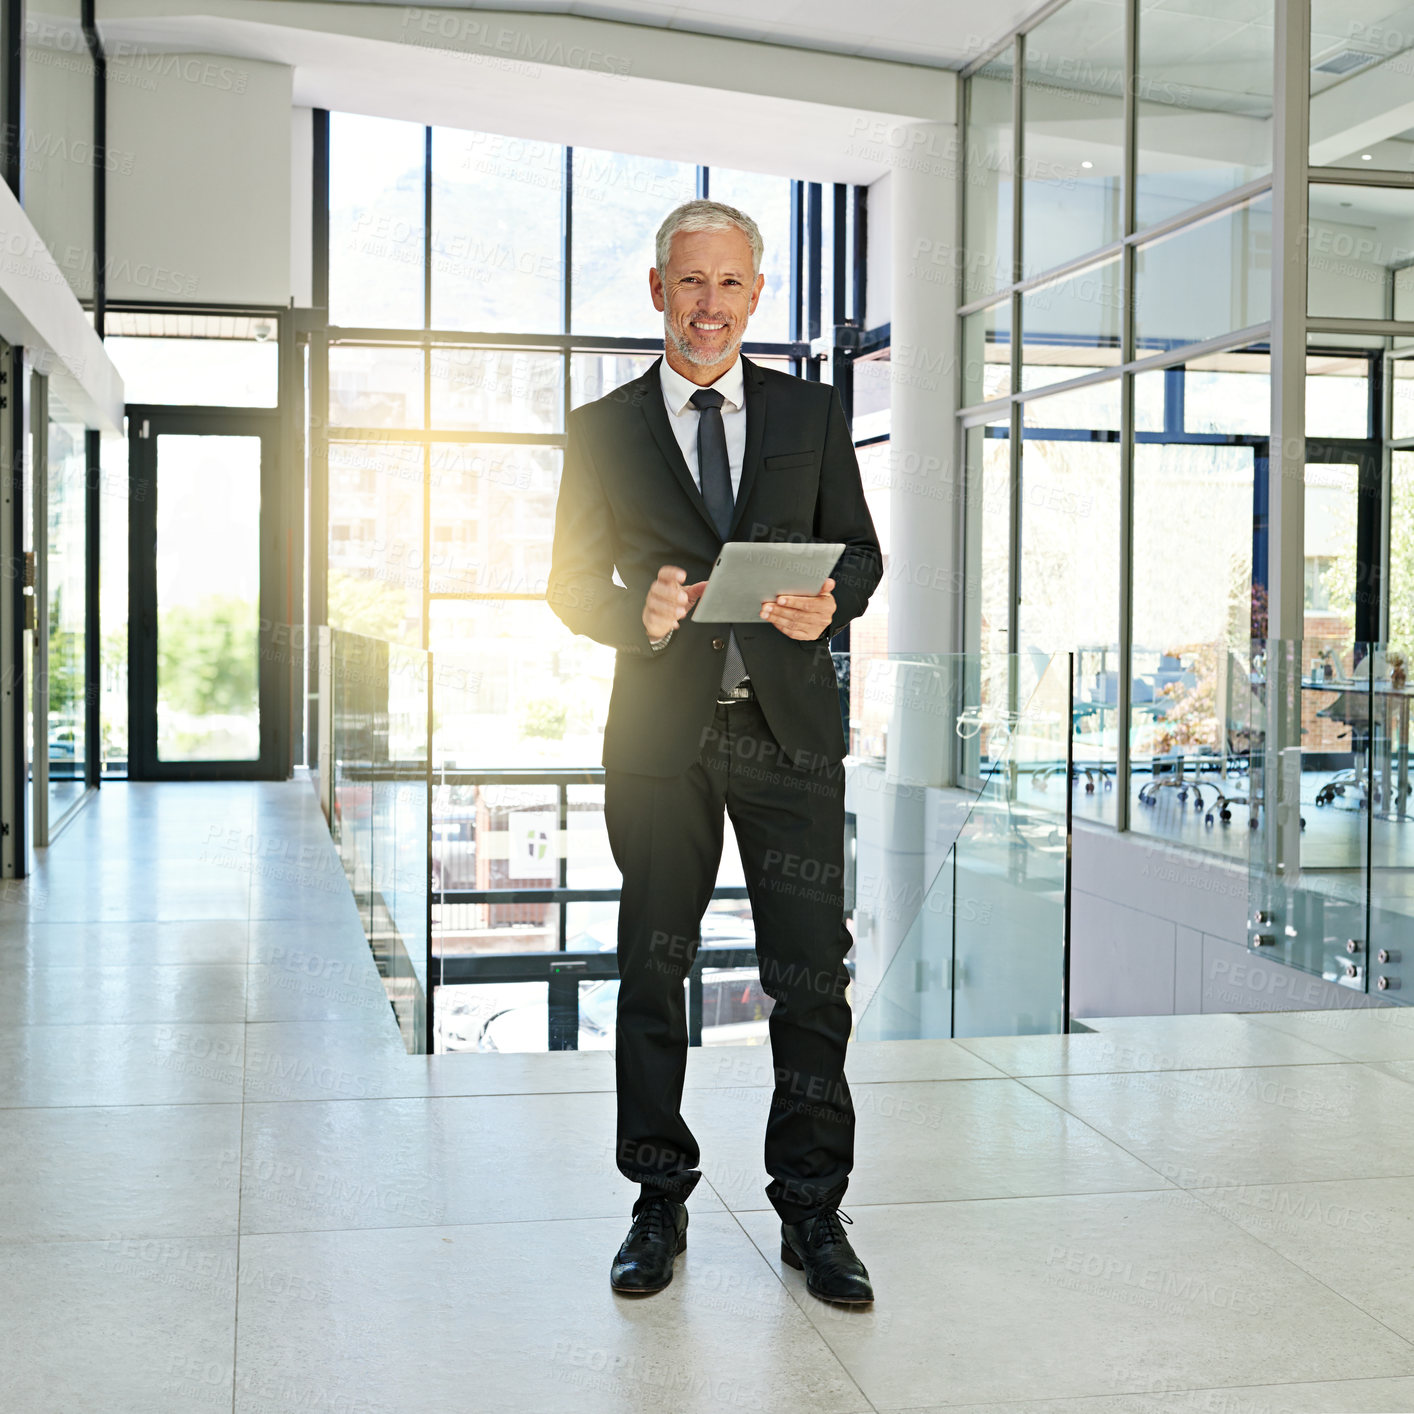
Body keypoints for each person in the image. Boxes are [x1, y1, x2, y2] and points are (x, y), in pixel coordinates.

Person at [548, 198, 881, 1304]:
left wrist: (825, 605)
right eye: (689, 284)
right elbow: (565, 583)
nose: (709, 306)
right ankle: (656, 1203)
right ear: (657, 291)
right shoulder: (602, 428)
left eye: (730, 284)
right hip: (660, 741)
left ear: (756, 294)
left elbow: (864, 561)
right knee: (652, 971)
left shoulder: (811, 412)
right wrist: (627, 615)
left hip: (787, 737)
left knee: (810, 981)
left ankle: (813, 1212)